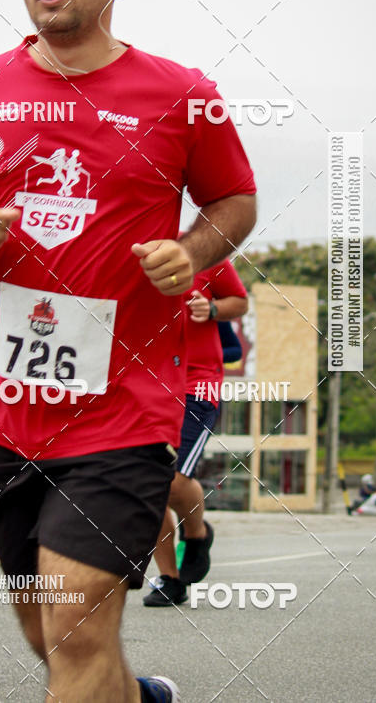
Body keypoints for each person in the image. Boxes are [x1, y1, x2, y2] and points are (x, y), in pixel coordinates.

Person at [0, 0, 256, 703]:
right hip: (8, 416)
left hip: (125, 413)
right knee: (54, 639)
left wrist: (190, 251)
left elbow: (234, 200)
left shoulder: (183, 94)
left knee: (75, 623)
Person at [143, 260, 248, 606]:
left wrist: (212, 309)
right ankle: (170, 579)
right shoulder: (123, 258)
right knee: (147, 485)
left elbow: (238, 307)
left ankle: (196, 534)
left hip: (197, 385)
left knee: (173, 480)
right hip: (146, 386)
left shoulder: (204, 254)